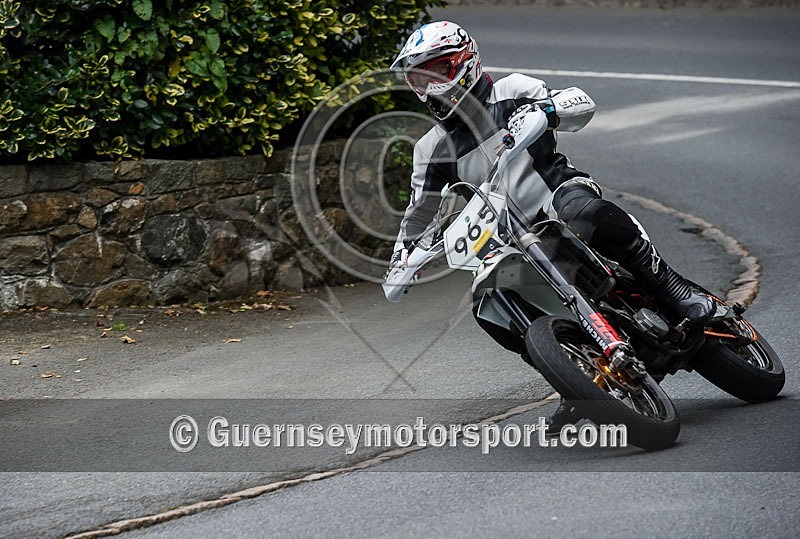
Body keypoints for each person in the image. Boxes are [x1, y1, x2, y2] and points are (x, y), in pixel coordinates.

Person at [387, 21, 714, 429]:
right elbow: (420, 212)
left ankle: (673, 288)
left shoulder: (513, 89)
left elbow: (580, 102)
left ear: (466, 61)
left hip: (557, 195)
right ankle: (573, 378)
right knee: (488, 302)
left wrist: (546, 110)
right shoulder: (430, 150)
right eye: (421, 78)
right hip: (507, 236)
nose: (431, 86)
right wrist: (402, 259)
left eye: (440, 70)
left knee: (581, 211)